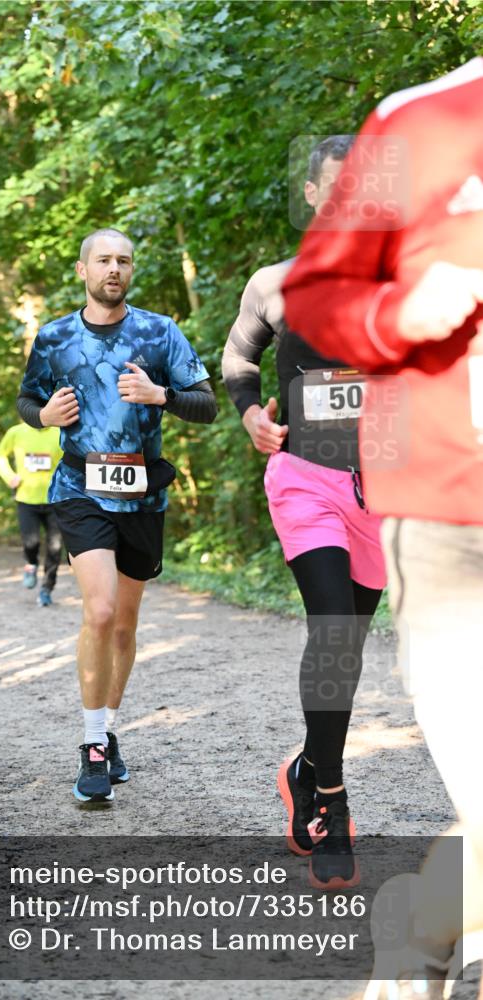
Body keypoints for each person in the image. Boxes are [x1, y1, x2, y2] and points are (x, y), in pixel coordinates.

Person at [283, 58, 483, 999]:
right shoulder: (419, 122)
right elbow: (310, 303)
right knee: (338, 635)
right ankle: (323, 774)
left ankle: (423, 922)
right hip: (437, 511)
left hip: (385, 488)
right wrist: (398, 311)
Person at [223, 135, 386, 890]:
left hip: (383, 491)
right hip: (305, 479)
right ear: (315, 195)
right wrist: (251, 415)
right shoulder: (276, 283)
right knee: (330, 629)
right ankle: (331, 798)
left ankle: (303, 764)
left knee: (347, 650)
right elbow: (238, 362)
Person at [17, 227, 217, 802]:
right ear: (83, 270)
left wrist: (162, 397)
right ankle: (92, 744)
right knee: (100, 611)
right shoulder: (54, 337)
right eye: (103, 260)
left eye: (123, 261)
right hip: (80, 487)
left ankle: (108, 725)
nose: (114, 268)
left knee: (125, 625)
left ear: (131, 271)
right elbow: (28, 401)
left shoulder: (159, 332)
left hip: (143, 493)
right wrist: (44, 416)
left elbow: (205, 404)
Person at [0, 422, 63, 606]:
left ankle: (47, 589)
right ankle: (31, 564)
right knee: (30, 542)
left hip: (55, 500)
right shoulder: (16, 432)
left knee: (55, 547)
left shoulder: (59, 432)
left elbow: (71, 460)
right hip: (26, 499)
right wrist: (9, 476)